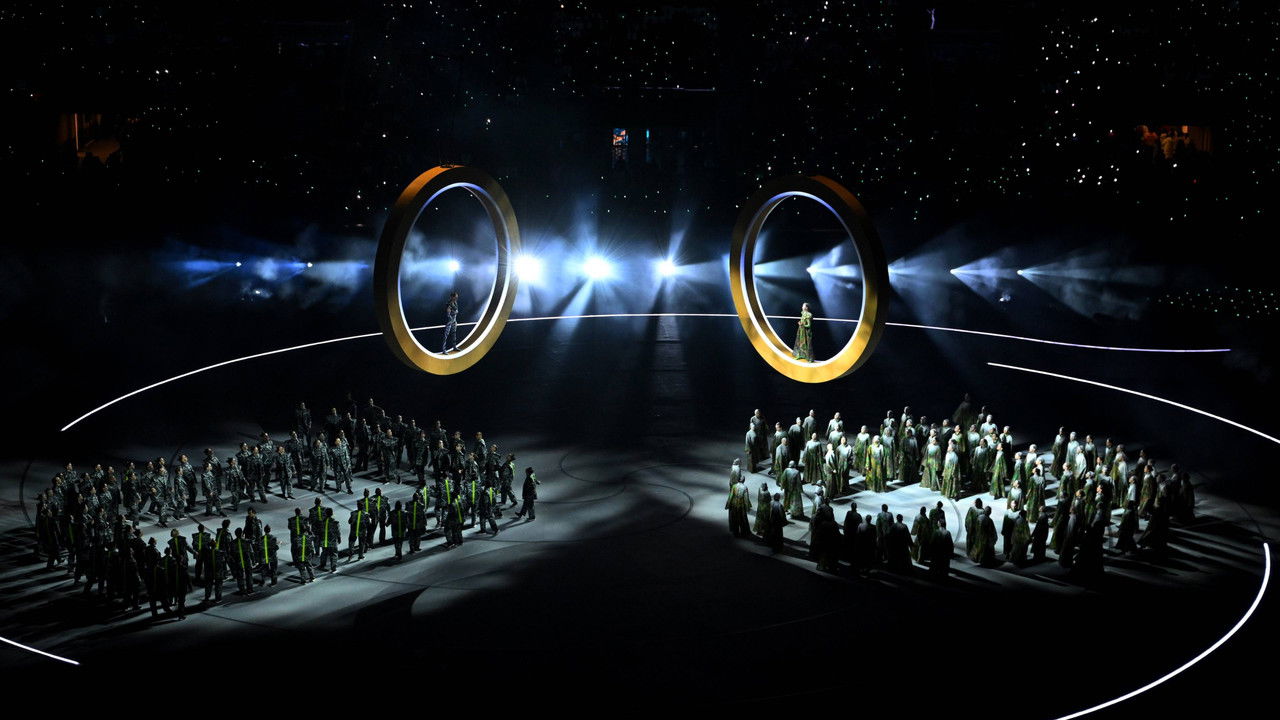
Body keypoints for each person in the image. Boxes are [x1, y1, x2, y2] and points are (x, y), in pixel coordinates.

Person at [725, 474, 752, 538]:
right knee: (742, 520)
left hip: (734, 505)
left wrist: (728, 504)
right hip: (741, 506)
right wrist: (748, 507)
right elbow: (746, 498)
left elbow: (731, 496)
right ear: (744, 480)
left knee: (734, 519)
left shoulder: (734, 486)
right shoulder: (745, 488)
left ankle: (735, 532)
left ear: (739, 479)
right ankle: (743, 532)